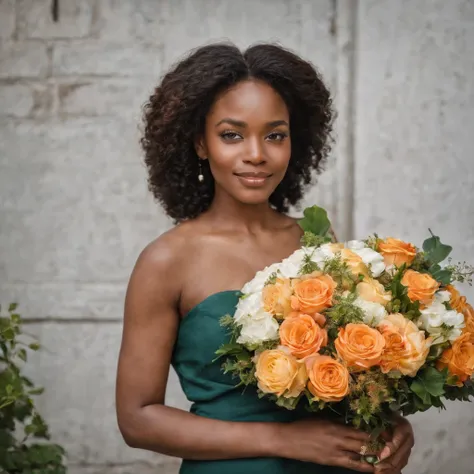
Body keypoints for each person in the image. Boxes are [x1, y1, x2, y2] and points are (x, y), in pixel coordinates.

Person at [115, 42, 414, 474]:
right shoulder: (166, 260)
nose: (256, 153)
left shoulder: (315, 239)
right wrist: (283, 440)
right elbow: (137, 419)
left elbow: (350, 379)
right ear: (200, 143)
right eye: (232, 134)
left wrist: (390, 425)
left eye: (275, 135)